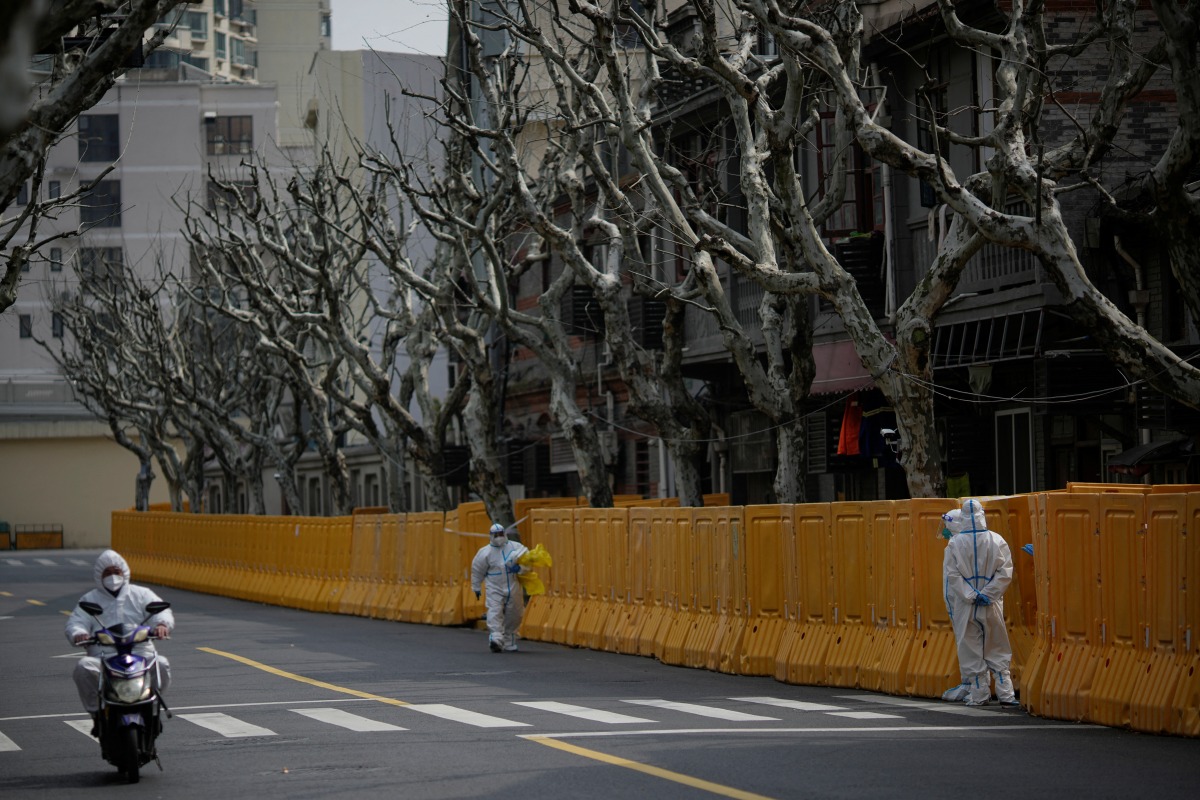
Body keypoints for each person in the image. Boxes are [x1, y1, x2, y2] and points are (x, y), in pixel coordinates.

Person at [65, 550, 174, 734]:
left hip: (140, 652)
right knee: (83, 667)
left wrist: (162, 625)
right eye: (107, 573)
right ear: (99, 575)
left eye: (117, 571)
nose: (113, 577)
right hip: (104, 656)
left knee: (161, 664)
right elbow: (76, 621)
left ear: (125, 572)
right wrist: (79, 633)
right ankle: (97, 713)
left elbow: (161, 612)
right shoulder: (89, 599)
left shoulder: (141, 594)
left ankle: (152, 708)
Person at [940, 499, 1017, 706]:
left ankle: (979, 694)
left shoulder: (954, 544)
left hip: (966, 606)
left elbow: (952, 576)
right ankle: (1006, 693)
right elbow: (1005, 571)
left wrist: (971, 595)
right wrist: (989, 593)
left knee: (970, 648)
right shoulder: (996, 540)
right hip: (991, 604)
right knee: (997, 644)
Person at [471, 522, 529, 653]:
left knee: (515, 613)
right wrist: (476, 587)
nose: (499, 537)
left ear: (505, 533)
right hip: (494, 587)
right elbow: (477, 570)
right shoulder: (485, 553)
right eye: (495, 535)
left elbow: (528, 563)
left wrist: (520, 568)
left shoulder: (516, 548)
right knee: (494, 611)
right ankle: (496, 638)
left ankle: (509, 639)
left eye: (500, 534)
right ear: (491, 536)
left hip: (513, 585)